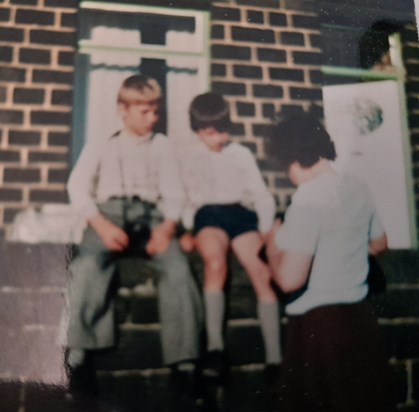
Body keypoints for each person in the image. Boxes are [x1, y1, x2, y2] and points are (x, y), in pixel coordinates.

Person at [65, 74, 203, 398]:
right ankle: (79, 356)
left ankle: (184, 363)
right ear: (122, 109)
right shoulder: (102, 141)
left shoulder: (163, 145)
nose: (153, 118)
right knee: (86, 267)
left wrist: (167, 229)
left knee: (178, 269)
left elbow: (174, 194)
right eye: (145, 112)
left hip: (152, 220)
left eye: (156, 111)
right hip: (109, 218)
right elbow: (77, 186)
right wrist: (100, 225)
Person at [266, 112, 396, 411]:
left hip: (319, 329)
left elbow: (289, 279)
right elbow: (379, 244)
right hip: (359, 322)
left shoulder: (308, 199)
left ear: (294, 160)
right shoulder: (358, 187)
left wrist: (272, 243)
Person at [179, 92, 282, 381]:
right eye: (211, 133)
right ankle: (215, 349)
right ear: (198, 131)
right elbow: (183, 198)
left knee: (261, 272)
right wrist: (188, 229)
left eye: (223, 130)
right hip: (207, 216)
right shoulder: (188, 157)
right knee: (215, 264)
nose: (219, 138)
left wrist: (263, 229)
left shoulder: (241, 154)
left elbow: (261, 195)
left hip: (239, 215)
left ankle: (274, 359)